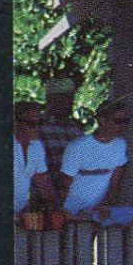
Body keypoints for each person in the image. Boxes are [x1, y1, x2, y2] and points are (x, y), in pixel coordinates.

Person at [61, 97, 133, 223]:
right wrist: (62, 211)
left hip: (97, 211)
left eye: (125, 121)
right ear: (102, 121)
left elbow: (114, 183)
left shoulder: (120, 145)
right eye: (118, 121)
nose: (122, 125)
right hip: (71, 212)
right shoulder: (78, 146)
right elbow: (65, 183)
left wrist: (105, 204)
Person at [40, 78, 86, 208]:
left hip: (75, 198)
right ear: (49, 100)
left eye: (69, 98)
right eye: (60, 98)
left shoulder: (76, 128)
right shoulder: (38, 126)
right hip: (46, 199)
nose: (66, 102)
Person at [13, 101, 54, 221]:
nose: (37, 128)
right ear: (16, 123)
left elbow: (43, 182)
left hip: (19, 215)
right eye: (31, 124)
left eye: (40, 123)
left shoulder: (37, 146)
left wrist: (56, 207)